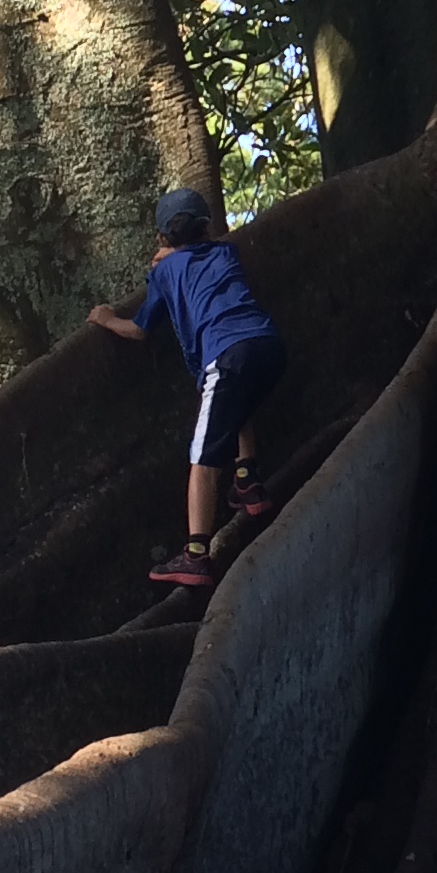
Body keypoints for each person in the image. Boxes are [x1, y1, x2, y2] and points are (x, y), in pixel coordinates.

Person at [88, 186, 287, 587]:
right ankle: (247, 482)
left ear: (162, 238)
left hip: (225, 358)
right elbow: (201, 259)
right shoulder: (225, 252)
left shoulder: (163, 273)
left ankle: (196, 554)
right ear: (207, 227)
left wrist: (107, 319)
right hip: (268, 346)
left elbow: (141, 329)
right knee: (236, 408)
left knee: (202, 458)